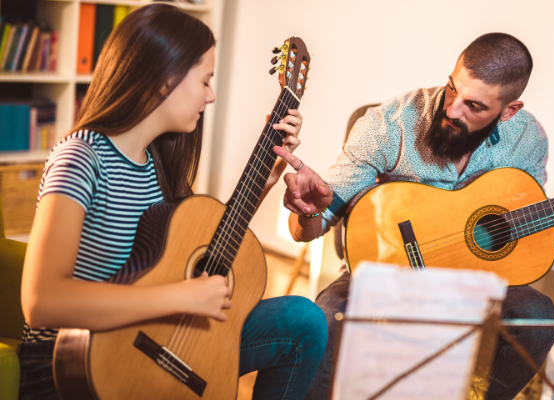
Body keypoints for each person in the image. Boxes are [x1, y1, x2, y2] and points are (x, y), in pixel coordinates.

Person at [274, 33, 554, 400]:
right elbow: (309, 228)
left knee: (539, 318)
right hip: (386, 271)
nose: (452, 109)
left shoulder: (527, 140)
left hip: (475, 283)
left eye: (475, 106)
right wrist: (307, 214)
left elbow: (536, 236)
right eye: (452, 88)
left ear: (510, 110)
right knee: (325, 320)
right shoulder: (388, 123)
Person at [18, 5, 326, 400]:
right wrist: (182, 297)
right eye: (205, 81)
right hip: (71, 361)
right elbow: (42, 302)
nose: (212, 96)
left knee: (303, 321)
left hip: (154, 332)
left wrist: (264, 180)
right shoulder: (81, 157)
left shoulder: (156, 165)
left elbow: (201, 252)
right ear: (166, 79)